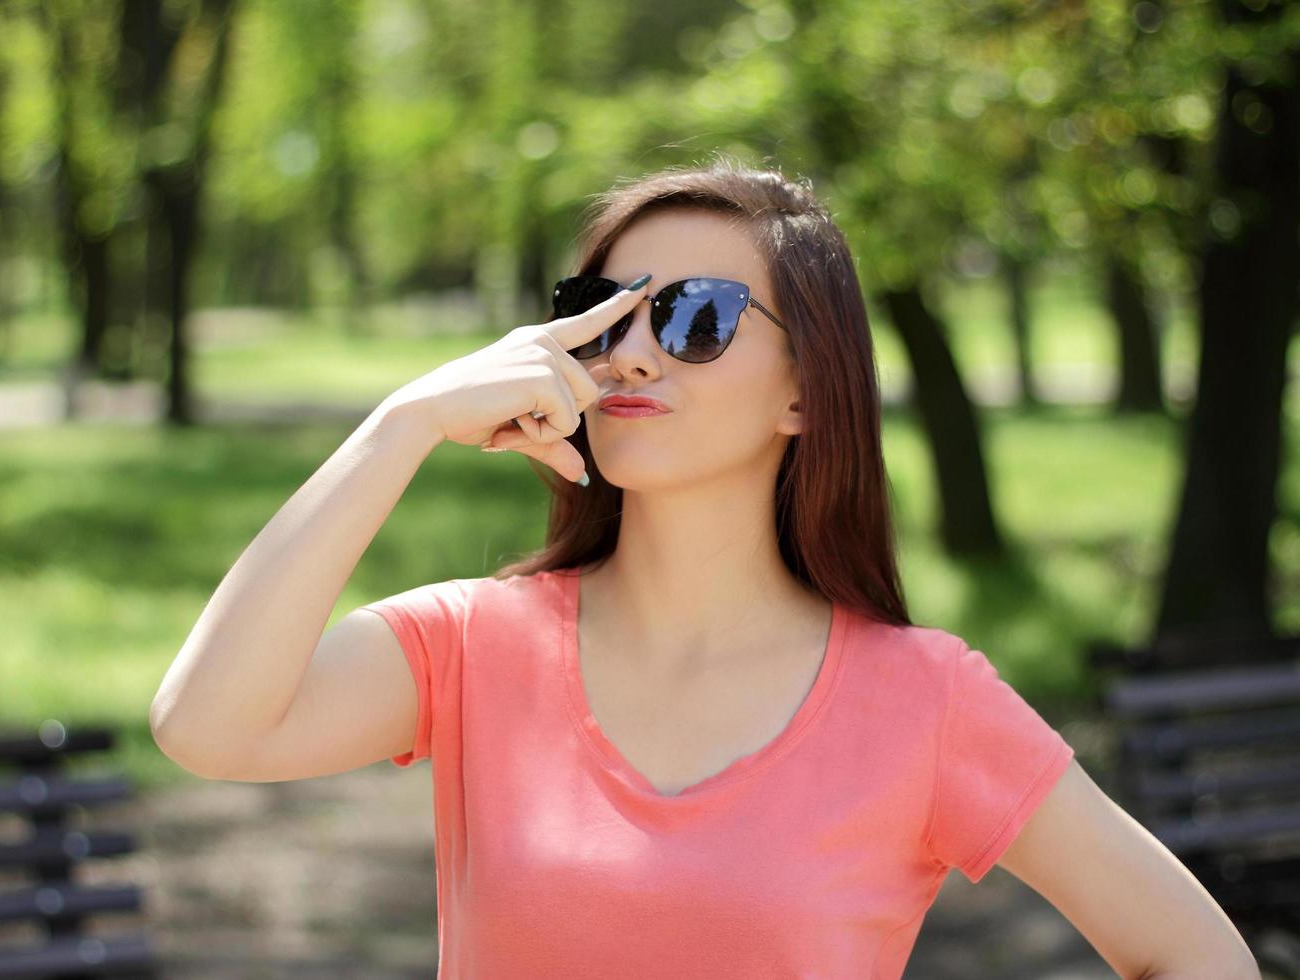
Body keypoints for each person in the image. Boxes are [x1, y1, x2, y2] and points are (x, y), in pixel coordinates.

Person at [149, 156, 1261, 979]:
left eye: (695, 317)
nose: (628, 348)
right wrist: (399, 424)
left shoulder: (924, 700)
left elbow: (1196, 955)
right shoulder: (474, 645)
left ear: (804, 392)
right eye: (598, 314)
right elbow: (207, 724)